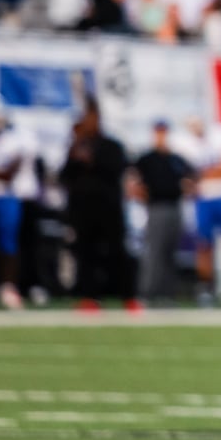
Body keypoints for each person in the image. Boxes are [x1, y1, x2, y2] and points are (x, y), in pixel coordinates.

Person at [59, 103, 137, 312]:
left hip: (109, 209)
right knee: (85, 254)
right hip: (83, 211)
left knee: (118, 253)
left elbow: (117, 170)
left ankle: (129, 297)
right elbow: (64, 176)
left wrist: (93, 159)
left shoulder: (111, 146)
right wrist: (77, 152)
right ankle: (89, 297)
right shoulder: (76, 147)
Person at [175, 117, 221, 306]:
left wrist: (202, 174)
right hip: (203, 199)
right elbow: (187, 178)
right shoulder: (184, 145)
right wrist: (204, 175)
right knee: (204, 244)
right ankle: (206, 286)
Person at [132, 120, 192, 304]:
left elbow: (191, 178)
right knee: (155, 252)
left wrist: (187, 188)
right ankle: (148, 293)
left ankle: (167, 293)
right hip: (156, 207)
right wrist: (141, 196)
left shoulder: (175, 158)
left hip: (175, 206)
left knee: (170, 252)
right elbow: (133, 180)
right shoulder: (147, 158)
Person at [0, 95, 34, 309]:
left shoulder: (17, 138)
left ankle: (8, 287)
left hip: (6, 197)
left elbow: (9, 172)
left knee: (8, 243)